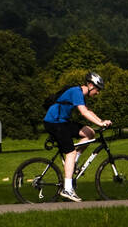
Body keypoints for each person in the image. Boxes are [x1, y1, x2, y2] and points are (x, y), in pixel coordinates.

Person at [43, 71, 111, 202]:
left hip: (63, 122)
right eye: (97, 89)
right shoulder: (76, 92)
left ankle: (73, 163)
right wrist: (100, 123)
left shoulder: (81, 95)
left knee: (89, 132)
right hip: (54, 123)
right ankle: (67, 189)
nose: (98, 93)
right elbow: (84, 113)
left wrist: (102, 121)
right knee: (70, 152)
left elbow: (89, 111)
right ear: (90, 85)